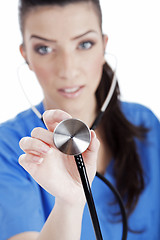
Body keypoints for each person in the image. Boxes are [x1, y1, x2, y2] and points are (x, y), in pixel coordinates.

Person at [0, 0, 159, 239]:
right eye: (44, 48)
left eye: (84, 44)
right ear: (26, 56)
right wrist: (69, 203)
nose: (68, 69)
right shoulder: (11, 146)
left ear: (104, 47)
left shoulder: (145, 124)